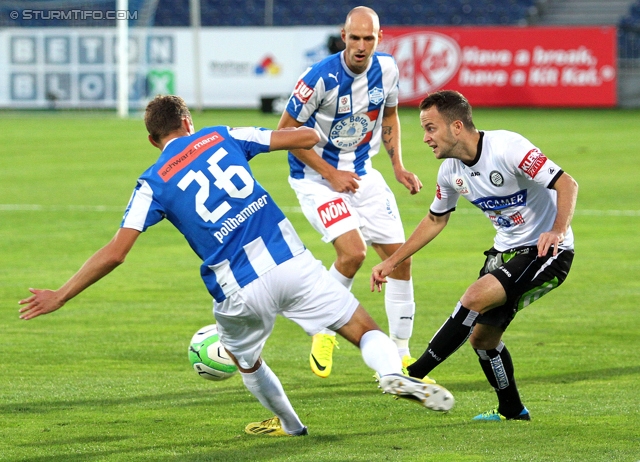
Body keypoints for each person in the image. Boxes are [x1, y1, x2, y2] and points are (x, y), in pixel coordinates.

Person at [19, 95, 454, 437]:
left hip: (238, 289)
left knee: (247, 362)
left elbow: (116, 252)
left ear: (153, 140)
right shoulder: (219, 135)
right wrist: (317, 133)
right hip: (292, 263)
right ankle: (392, 374)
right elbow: (302, 138)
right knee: (364, 331)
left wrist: (60, 295)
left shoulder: (151, 182)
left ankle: (290, 424)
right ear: (187, 122)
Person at [371, 90, 578, 421]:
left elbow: (567, 184)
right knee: (483, 339)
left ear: (456, 127)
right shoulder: (449, 172)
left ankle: (412, 376)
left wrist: (556, 230)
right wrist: (390, 261)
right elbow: (435, 219)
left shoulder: (509, 148)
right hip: (504, 251)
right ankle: (512, 410)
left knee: (473, 298)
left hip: (547, 251)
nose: (425, 138)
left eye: (430, 128)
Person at [278, 6, 424, 379]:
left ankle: (404, 357)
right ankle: (323, 332)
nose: (361, 46)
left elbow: (389, 116)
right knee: (353, 253)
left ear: (379, 38)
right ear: (344, 36)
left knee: (400, 261)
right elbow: (285, 134)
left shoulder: (388, 69)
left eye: (368, 39)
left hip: (363, 175)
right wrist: (331, 173)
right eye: (354, 38)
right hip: (316, 180)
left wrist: (397, 167)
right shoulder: (317, 79)